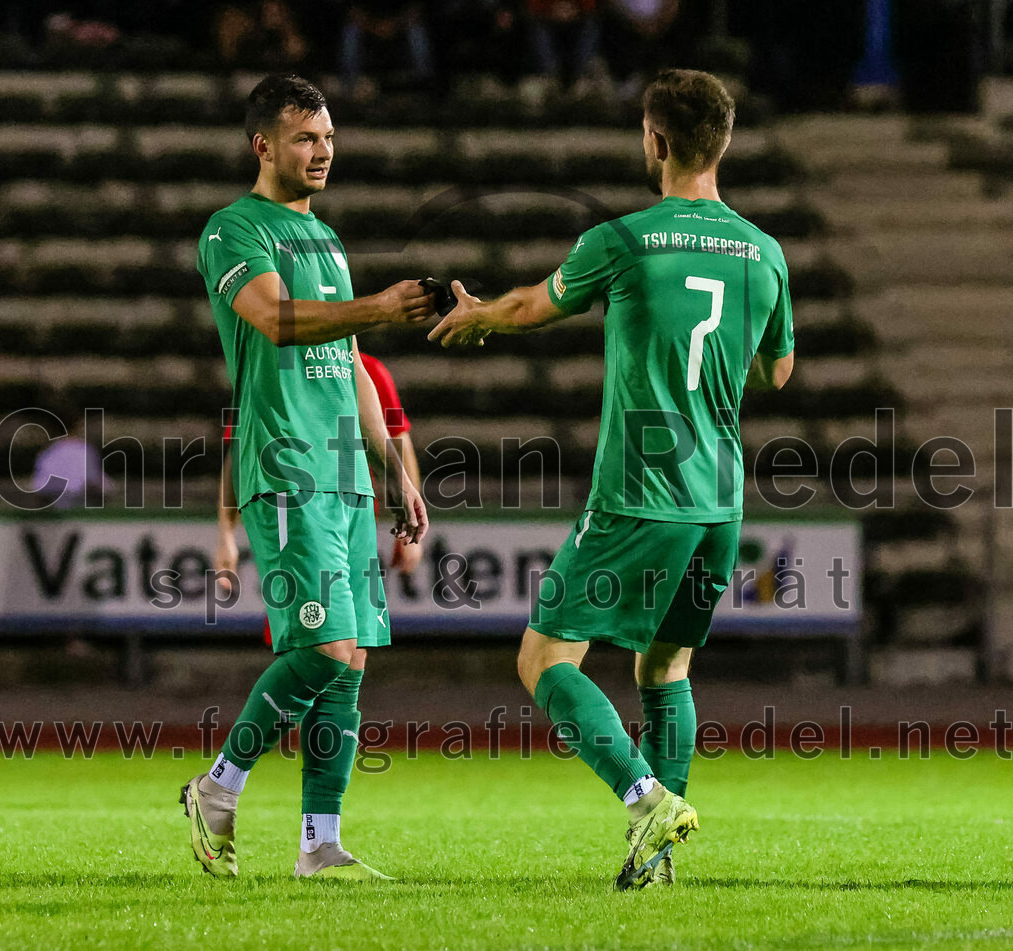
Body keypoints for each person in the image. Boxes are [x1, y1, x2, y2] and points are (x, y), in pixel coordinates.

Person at [430, 68, 794, 889]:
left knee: (543, 657)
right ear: (724, 143)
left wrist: (480, 314)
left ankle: (643, 797)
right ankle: (658, 860)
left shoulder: (625, 240)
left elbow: (532, 305)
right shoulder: (766, 255)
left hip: (640, 494)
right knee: (664, 670)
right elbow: (779, 370)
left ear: (654, 140)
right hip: (719, 501)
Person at [184, 72, 432, 882]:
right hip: (286, 464)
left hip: (344, 475)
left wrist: (395, 466)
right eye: (305, 138)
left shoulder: (325, 238)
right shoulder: (233, 229)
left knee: (352, 657)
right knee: (323, 646)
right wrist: (382, 306)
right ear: (264, 145)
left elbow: (350, 363)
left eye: (327, 137)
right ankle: (218, 788)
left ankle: (319, 843)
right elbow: (278, 320)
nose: (322, 151)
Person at [215, 350, 425, 647]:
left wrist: (408, 528)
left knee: (357, 646)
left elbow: (399, 443)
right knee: (310, 645)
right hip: (297, 525)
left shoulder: (369, 371)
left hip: (356, 525)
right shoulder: (271, 368)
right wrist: (226, 533)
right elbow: (238, 454)